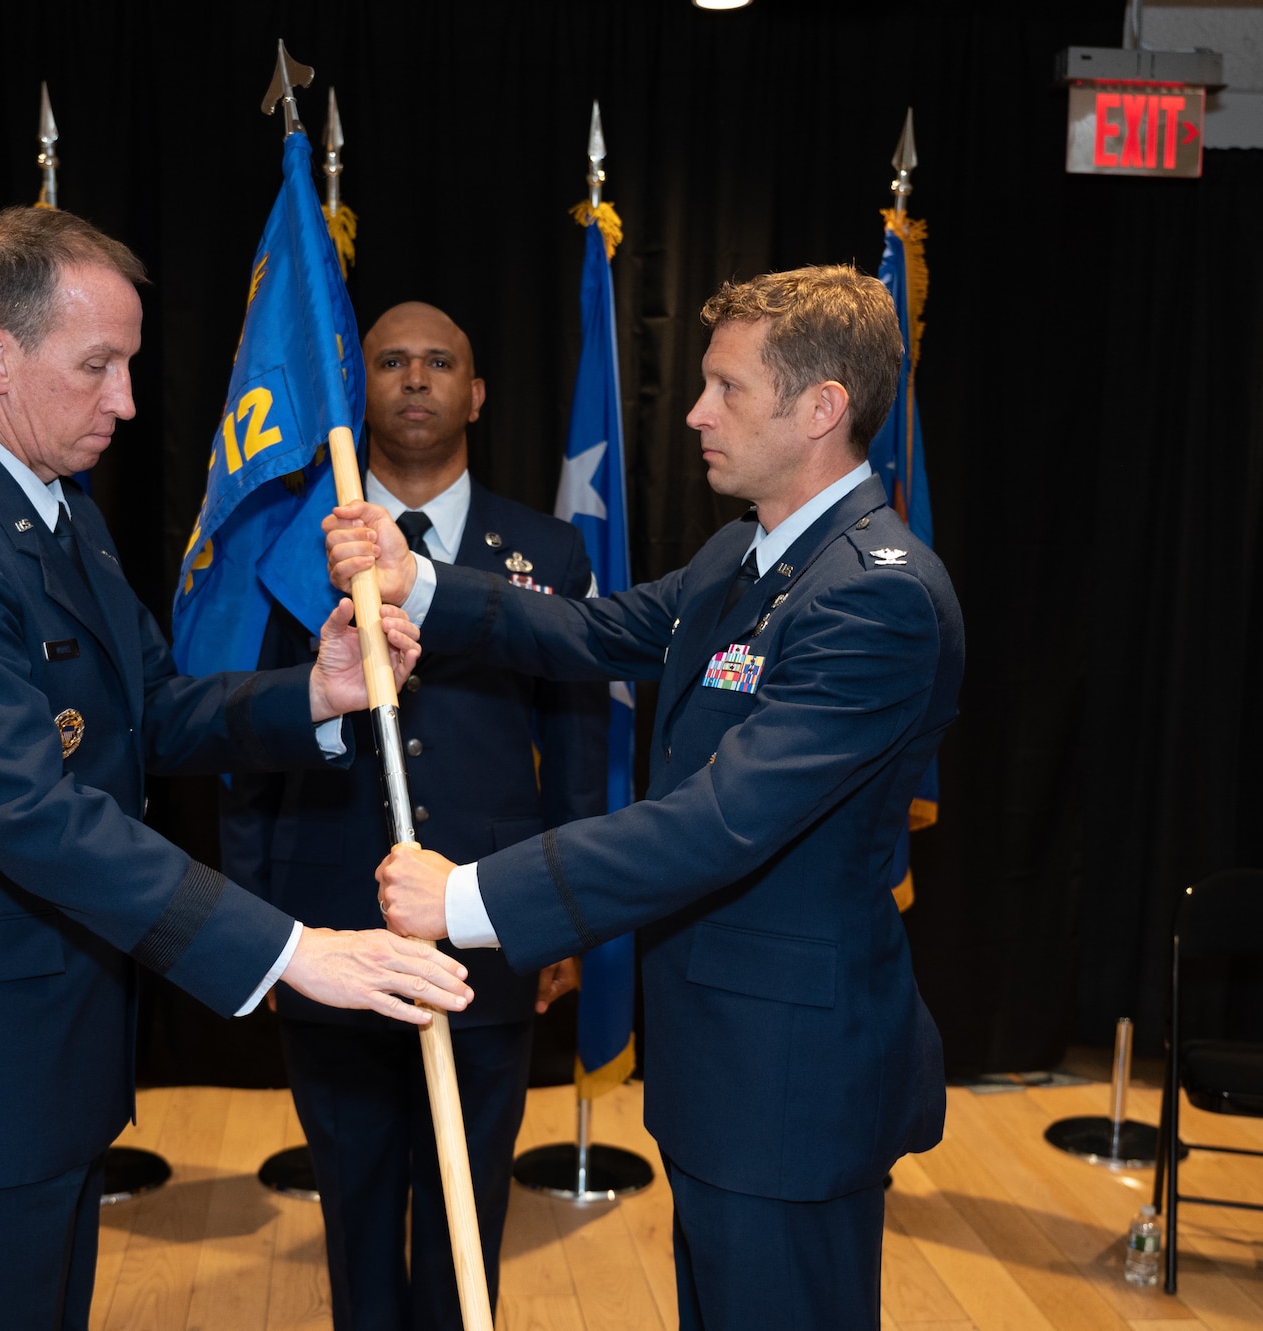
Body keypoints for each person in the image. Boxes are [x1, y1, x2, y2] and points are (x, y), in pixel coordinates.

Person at [0, 207, 474, 1331]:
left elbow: (147, 712)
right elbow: (34, 813)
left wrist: (313, 693)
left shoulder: (55, 510)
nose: (124, 400)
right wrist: (290, 949)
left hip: (41, 1062)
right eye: (97, 367)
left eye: (127, 365)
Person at [330, 265, 964, 1329]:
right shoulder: (744, 554)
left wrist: (470, 900)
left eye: (725, 389)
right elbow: (589, 632)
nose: (693, 413)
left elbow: (718, 820)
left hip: (790, 1079)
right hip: (724, 1062)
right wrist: (416, 580)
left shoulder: (875, 596)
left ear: (819, 409)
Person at [221, 302, 605, 1330]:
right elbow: (251, 742)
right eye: (390, 361)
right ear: (363, 391)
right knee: (350, 1200)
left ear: (476, 393)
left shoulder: (544, 550)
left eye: (441, 362)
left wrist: (559, 915)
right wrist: (254, 918)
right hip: (326, 920)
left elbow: (575, 745)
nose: (416, 379)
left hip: (487, 928)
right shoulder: (292, 551)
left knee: (467, 1202)